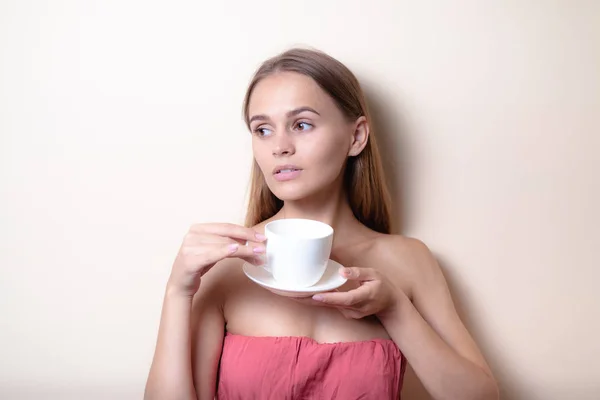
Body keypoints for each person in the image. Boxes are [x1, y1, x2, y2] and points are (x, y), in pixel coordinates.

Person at [144, 48, 499, 400]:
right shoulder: (226, 266)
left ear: (356, 137)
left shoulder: (409, 261)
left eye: (301, 124)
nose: (280, 146)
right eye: (263, 129)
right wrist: (177, 292)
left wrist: (394, 309)